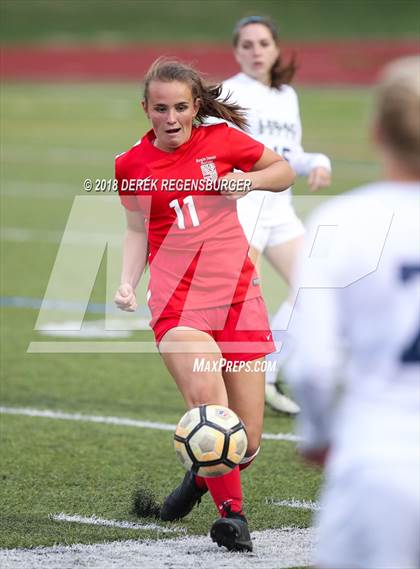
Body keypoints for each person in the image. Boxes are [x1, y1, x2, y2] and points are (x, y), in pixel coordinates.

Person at [114, 58, 295, 552]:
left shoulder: (221, 141)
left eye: (179, 108)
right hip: (179, 308)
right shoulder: (130, 164)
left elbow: (283, 170)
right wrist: (128, 282)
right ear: (145, 108)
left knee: (247, 440)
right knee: (207, 395)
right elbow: (136, 230)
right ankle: (232, 516)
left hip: (239, 300)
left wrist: (248, 181)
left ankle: (200, 475)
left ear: (195, 106)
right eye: (159, 109)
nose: (170, 119)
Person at [286, 55, 420, 568]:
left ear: (377, 131)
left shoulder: (341, 220)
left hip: (377, 460)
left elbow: (313, 366)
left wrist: (318, 436)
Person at [219, 16, 332, 414]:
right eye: (247, 45)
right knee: (243, 304)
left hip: (279, 210)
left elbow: (289, 155)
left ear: (276, 48)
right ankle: (231, 387)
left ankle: (267, 372)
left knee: (314, 285)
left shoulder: (287, 95)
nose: (256, 52)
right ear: (236, 51)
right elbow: (211, 152)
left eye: (263, 43)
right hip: (243, 208)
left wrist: (317, 160)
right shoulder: (227, 93)